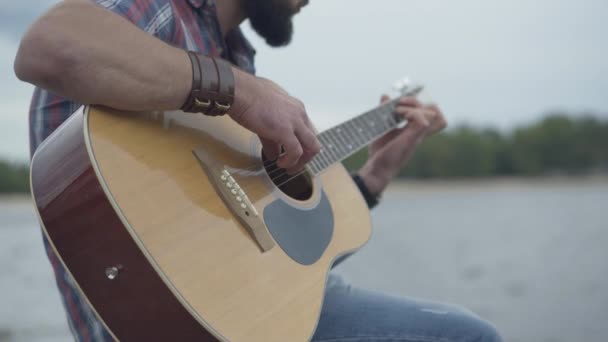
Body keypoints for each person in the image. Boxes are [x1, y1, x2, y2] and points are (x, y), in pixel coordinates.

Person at [14, 0, 502, 341]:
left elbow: (268, 270)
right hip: (178, 326)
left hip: (247, 321)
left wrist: (373, 176)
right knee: (467, 335)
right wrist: (242, 91)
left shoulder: (237, 53)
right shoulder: (165, 10)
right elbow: (51, 47)